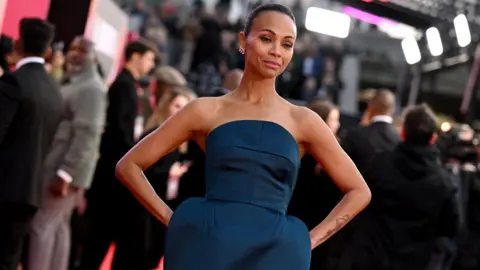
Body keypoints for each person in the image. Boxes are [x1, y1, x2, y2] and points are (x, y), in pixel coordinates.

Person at [115, 3, 371, 270]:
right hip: (206, 250)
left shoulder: (304, 121)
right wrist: (174, 220)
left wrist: (306, 241)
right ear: (242, 40)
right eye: (266, 38)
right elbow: (129, 165)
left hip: (272, 256)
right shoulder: (205, 110)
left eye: (287, 44)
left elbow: (359, 191)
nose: (276, 51)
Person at [332, 104, 458, 270]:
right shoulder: (444, 183)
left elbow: (354, 203)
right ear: (433, 138)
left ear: (403, 132)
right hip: (414, 262)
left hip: (371, 257)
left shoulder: (379, 163)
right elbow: (450, 229)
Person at [27, 37, 107, 270]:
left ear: (92, 57)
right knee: (57, 226)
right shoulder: (75, 81)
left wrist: (66, 173)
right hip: (63, 165)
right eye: (72, 48)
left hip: (62, 167)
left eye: (81, 50)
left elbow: (87, 134)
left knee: (41, 226)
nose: (74, 54)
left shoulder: (91, 88)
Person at [79, 40, 156, 270]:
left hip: (114, 173)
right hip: (110, 177)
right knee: (97, 239)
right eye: (149, 59)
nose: (150, 65)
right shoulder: (123, 86)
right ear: (135, 57)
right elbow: (120, 131)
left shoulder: (130, 85)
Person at [0, 18, 63, 270]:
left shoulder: (14, 83)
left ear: (17, 43)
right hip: (31, 193)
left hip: (3, 189)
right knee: (8, 259)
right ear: (48, 52)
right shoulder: (55, 91)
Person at [342, 89, 401, 170]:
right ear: (393, 109)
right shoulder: (399, 141)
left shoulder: (356, 135)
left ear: (370, 106)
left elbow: (341, 165)